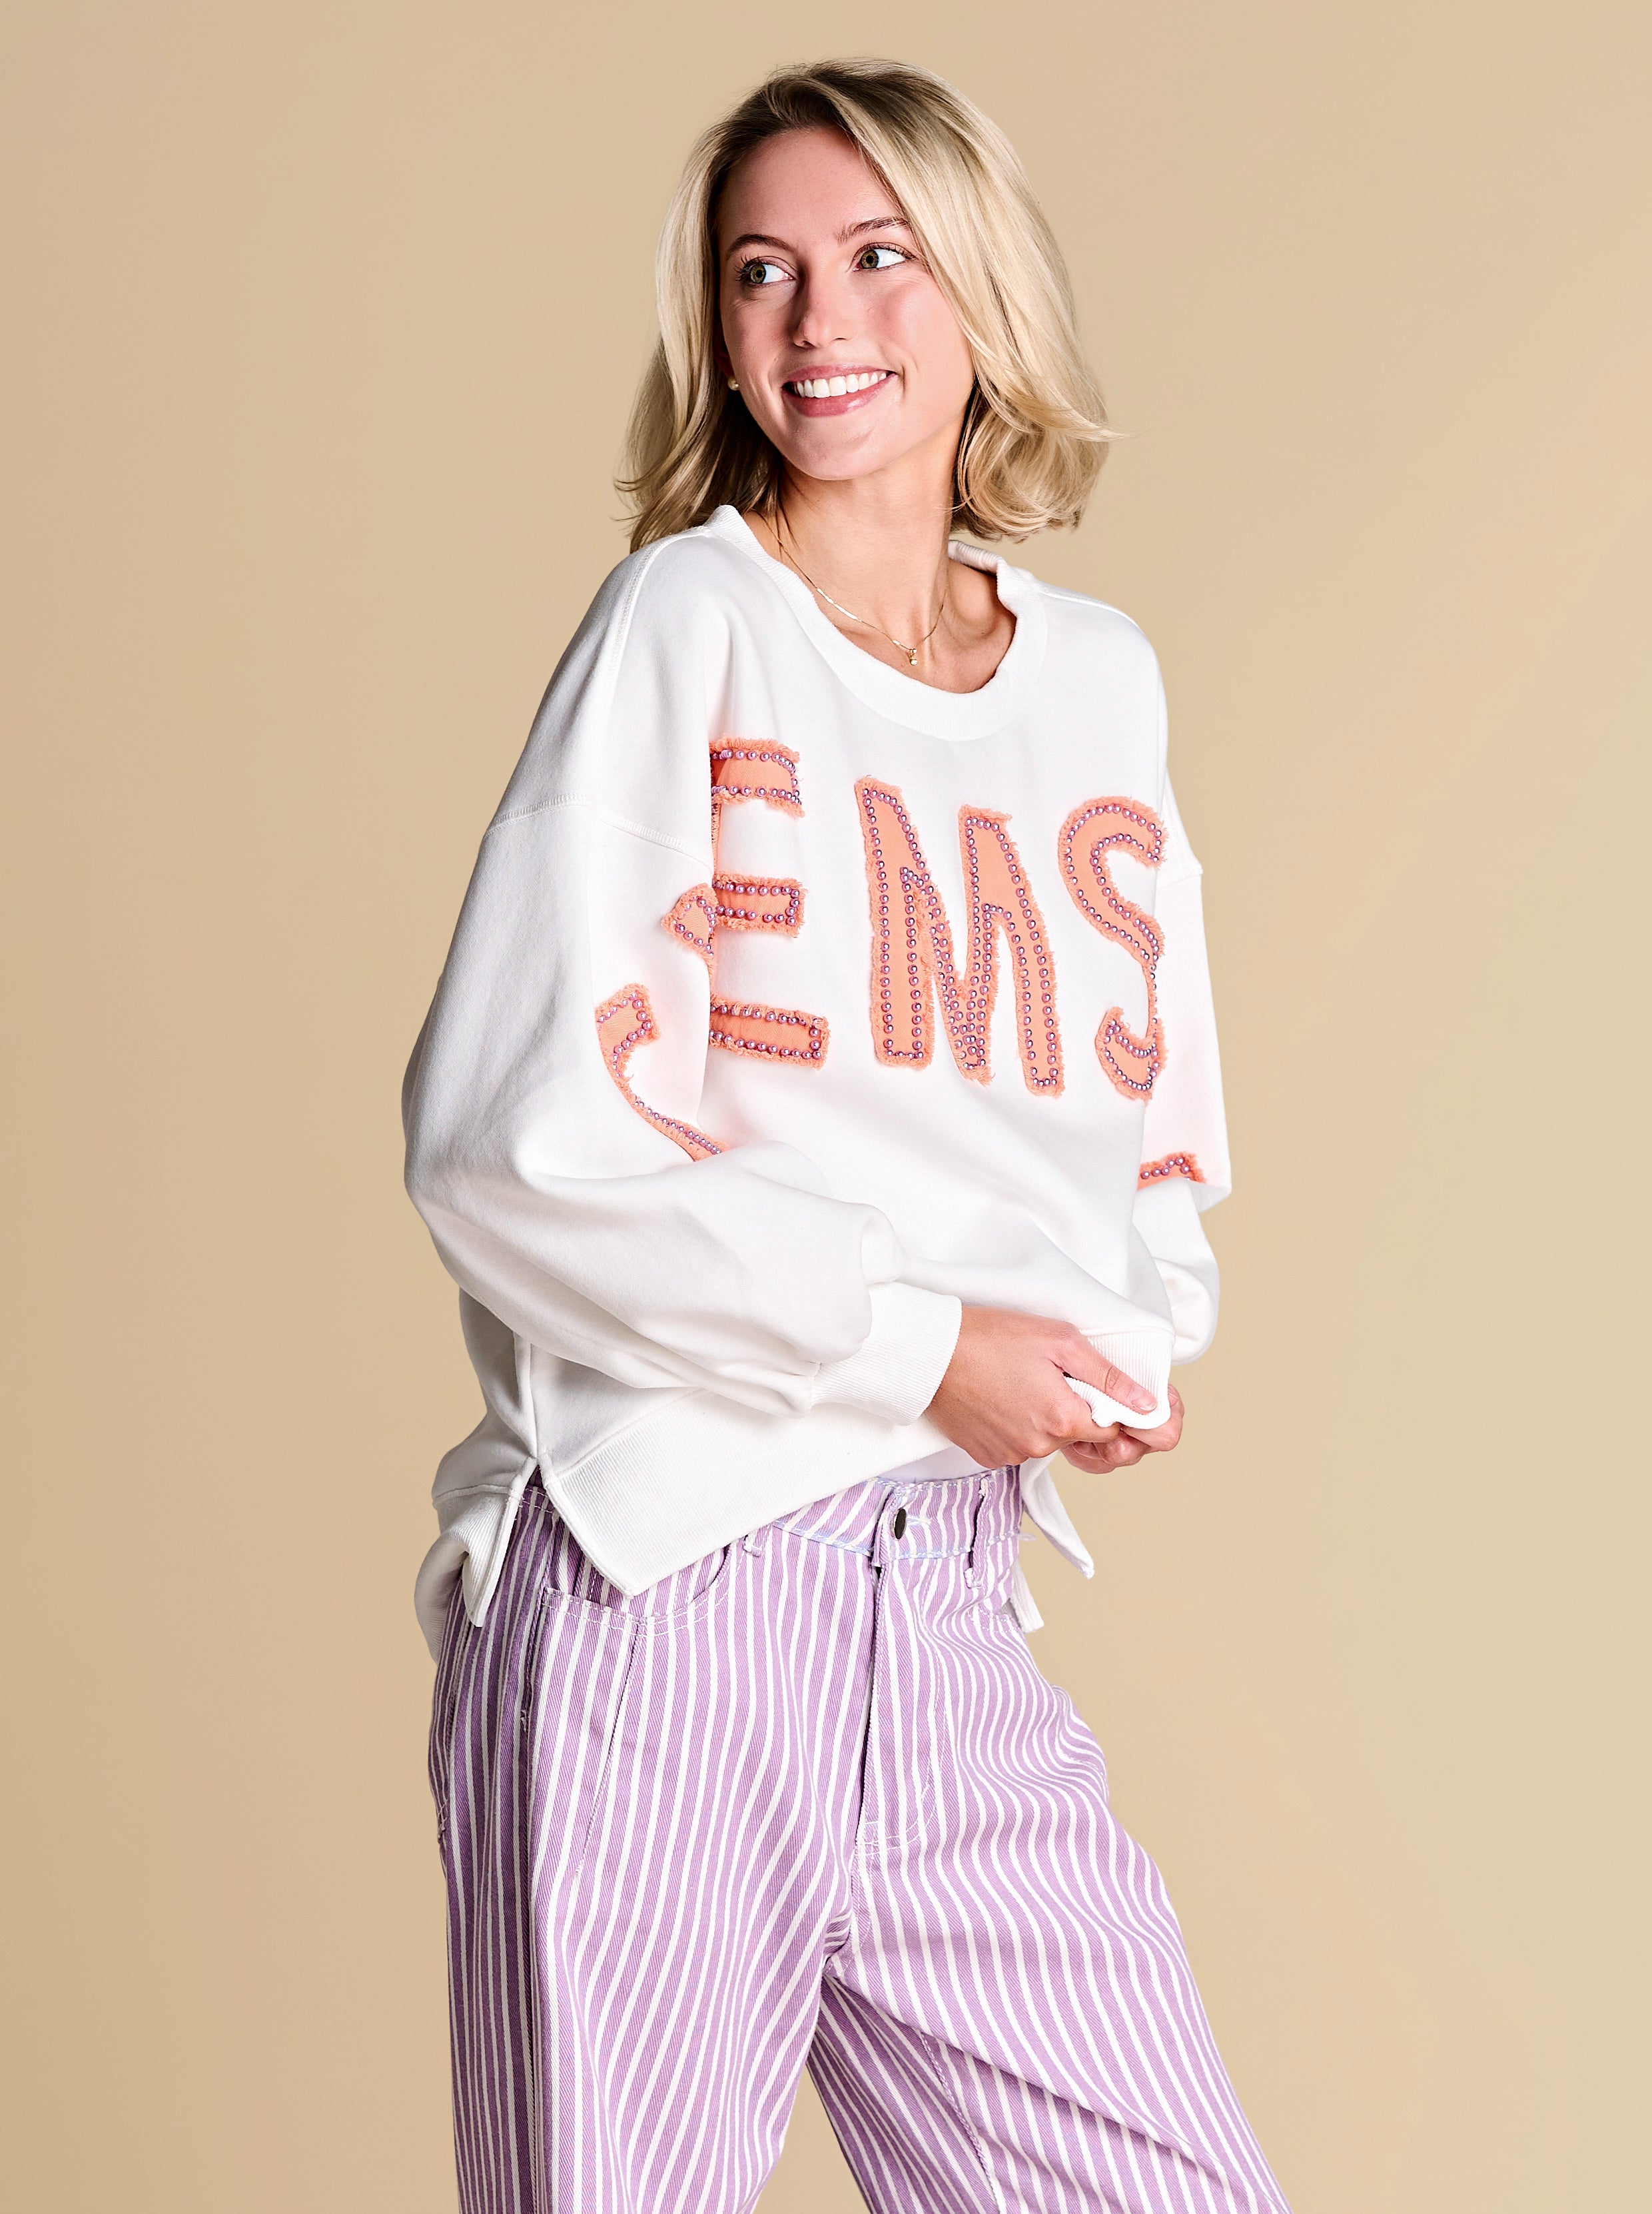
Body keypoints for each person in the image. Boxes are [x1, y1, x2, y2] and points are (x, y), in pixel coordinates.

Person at [404, 56, 1293, 2214]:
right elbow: (505, 1149)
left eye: (879, 255)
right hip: (662, 1595)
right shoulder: (685, 628)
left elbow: (1149, 1111)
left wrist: (1113, 1339)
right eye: (761, 272)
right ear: (715, 329)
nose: (820, 321)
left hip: (946, 1597)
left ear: (976, 288)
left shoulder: (1096, 681)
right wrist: (923, 1347)